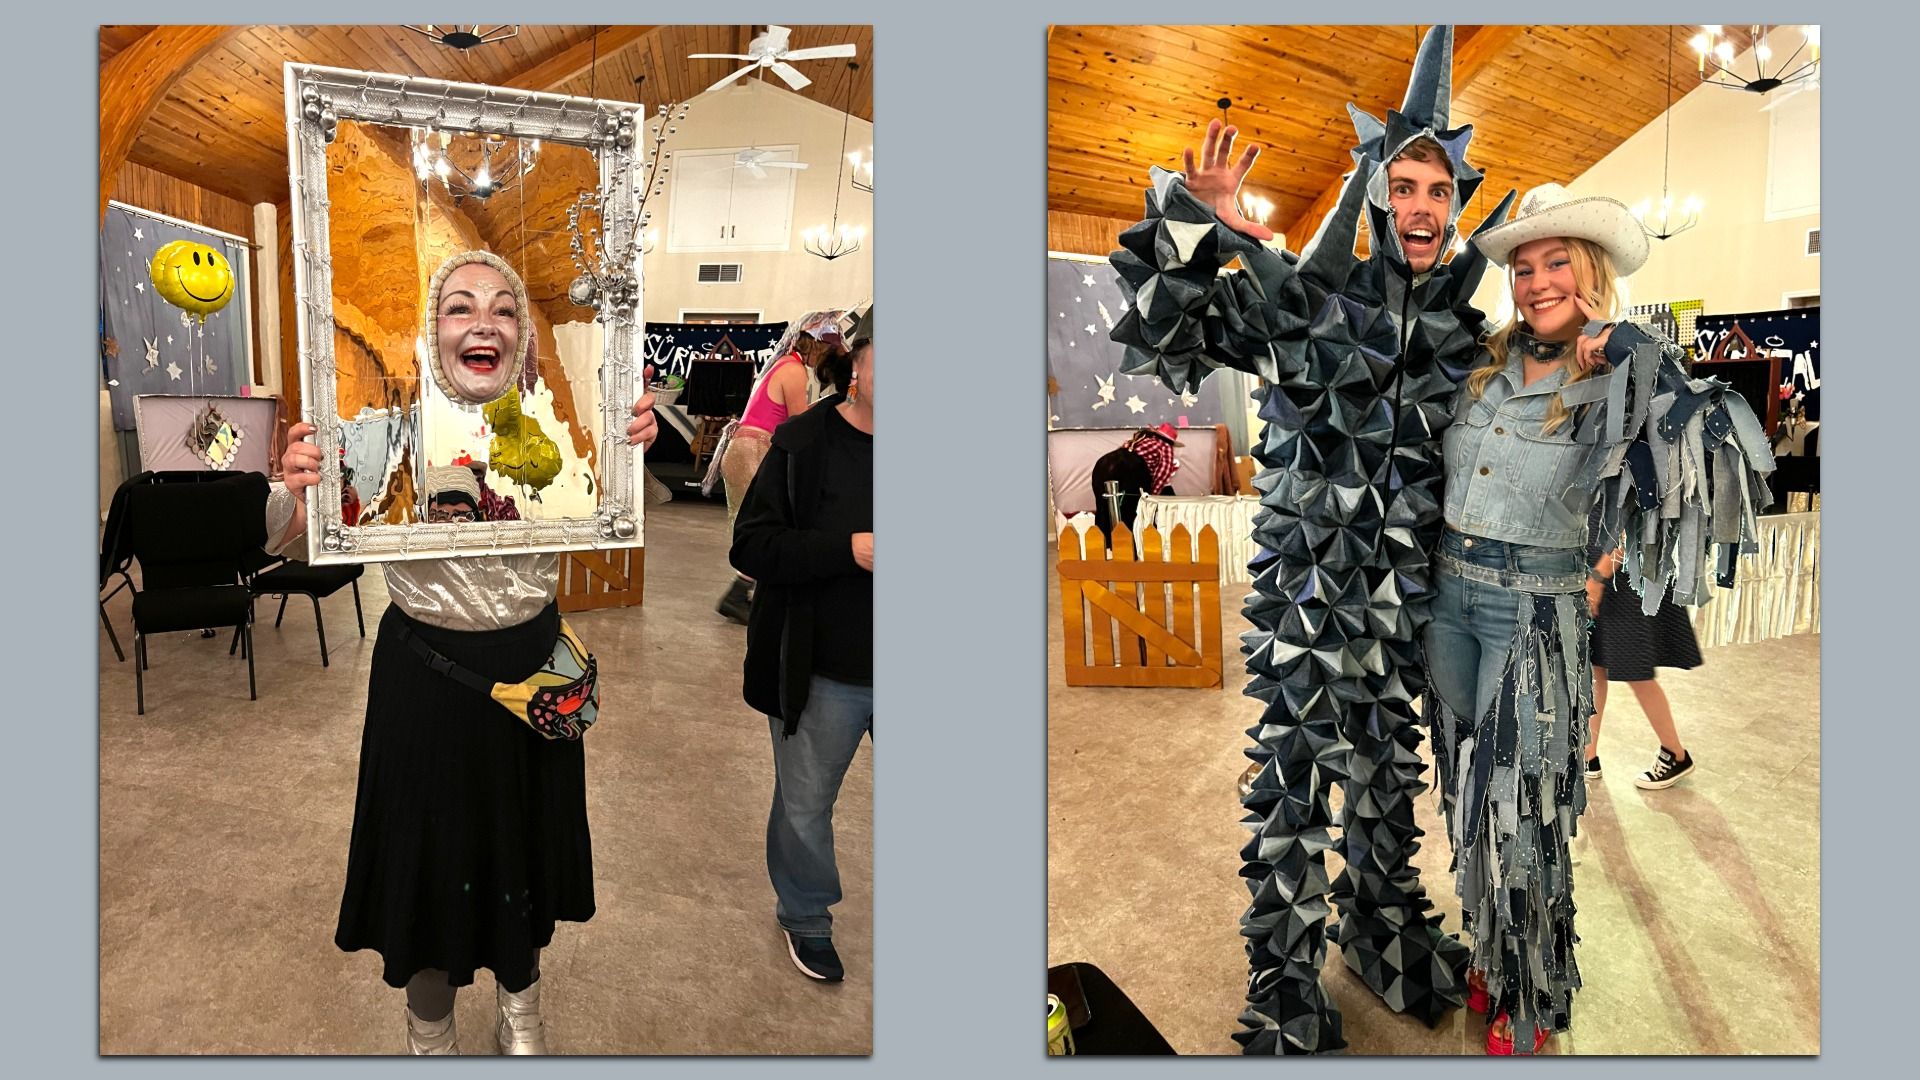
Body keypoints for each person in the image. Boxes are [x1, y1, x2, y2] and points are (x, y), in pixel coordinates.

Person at [1109, 26, 1509, 1051]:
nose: (1421, 206)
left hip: (1403, 602)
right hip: (1306, 601)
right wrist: (1200, 226)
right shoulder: (1311, 303)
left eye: (1439, 193)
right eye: (1405, 184)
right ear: (1375, 193)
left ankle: (1384, 925)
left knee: (1383, 770)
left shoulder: (1464, 333)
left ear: (1455, 210)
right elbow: (1174, 335)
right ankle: (1283, 977)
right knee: (1295, 786)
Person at [272, 249, 660, 1055]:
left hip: (535, 670)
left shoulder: (560, 427)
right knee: (426, 861)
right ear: (433, 330)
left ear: (519, 334)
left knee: (526, 848)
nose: (483, 321)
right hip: (426, 683)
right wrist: (295, 489)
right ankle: (430, 1026)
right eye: (459, 306)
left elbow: (617, 516)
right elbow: (291, 542)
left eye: (503, 308)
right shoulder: (386, 431)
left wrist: (630, 452)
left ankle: (522, 1006)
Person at [1426, 184, 1772, 1053]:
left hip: (1533, 613)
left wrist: (1637, 346)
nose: (1538, 281)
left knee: (1530, 808)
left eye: (1558, 264)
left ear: (1592, 275)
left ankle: (1533, 982)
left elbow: (1718, 448)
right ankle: (1490, 947)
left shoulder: (1623, 375)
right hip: (1450, 600)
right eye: (1525, 266)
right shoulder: (1478, 364)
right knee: (1473, 793)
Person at [731, 305, 873, 984]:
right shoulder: (804, 445)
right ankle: (806, 916)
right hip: (824, 670)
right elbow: (751, 544)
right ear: (857, 363)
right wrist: (848, 549)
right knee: (804, 803)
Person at [713, 310, 849, 624]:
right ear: (816, 346)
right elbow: (799, 422)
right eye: (828, 351)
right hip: (753, 450)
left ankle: (747, 591)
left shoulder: (783, 365)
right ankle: (739, 594)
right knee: (766, 526)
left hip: (744, 448)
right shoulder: (794, 371)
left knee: (760, 525)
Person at [1585, 539, 1701, 789]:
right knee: (1595, 666)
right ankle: (1588, 755)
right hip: (1606, 572)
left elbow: (1629, 530)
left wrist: (1597, 577)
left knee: (1635, 671)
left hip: (1624, 579)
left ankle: (1676, 754)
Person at [1089, 424, 1182, 538]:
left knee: (1107, 502)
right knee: (1132, 508)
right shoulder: (1166, 447)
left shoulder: (1138, 440)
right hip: (1136, 473)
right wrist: (1151, 495)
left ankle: (1104, 536)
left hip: (1118, 466)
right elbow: (1162, 474)